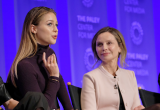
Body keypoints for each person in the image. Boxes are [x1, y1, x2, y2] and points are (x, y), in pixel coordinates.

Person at [0, 6, 73, 110]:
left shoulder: (50, 53)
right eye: (49, 24)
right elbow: (41, 107)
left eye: (56, 25)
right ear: (33, 29)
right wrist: (53, 78)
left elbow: (59, 80)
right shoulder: (24, 66)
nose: (56, 29)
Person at [81, 27, 145, 110]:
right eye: (100, 44)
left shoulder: (130, 75)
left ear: (120, 47)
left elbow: (136, 107)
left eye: (109, 43)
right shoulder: (90, 77)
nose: (104, 48)